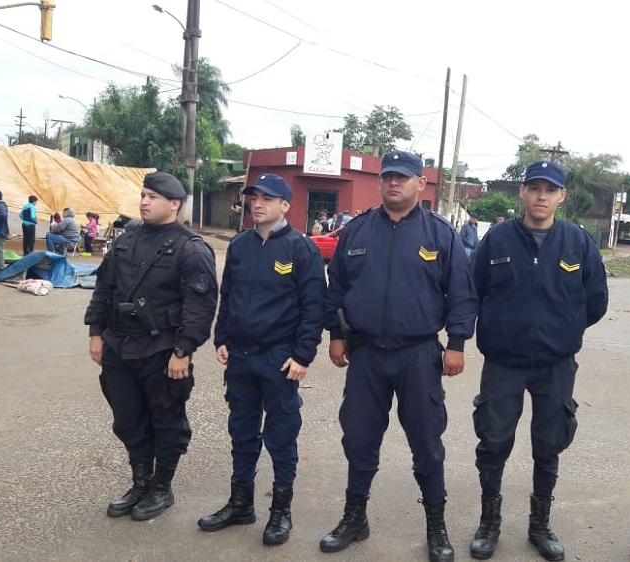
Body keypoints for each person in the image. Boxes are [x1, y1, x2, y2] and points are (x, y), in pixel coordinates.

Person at [320, 150, 477, 562]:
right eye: (388, 176)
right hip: (366, 355)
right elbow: (335, 289)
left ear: (419, 184)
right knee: (358, 440)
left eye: (402, 178)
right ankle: (355, 518)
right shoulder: (356, 233)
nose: (394, 183)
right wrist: (336, 335)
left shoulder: (439, 234)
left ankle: (436, 527)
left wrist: (457, 343)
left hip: (419, 355)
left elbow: (461, 293)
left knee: (427, 444)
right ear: (380, 182)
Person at [468, 160, 608, 561]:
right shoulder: (496, 240)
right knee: (493, 442)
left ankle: (539, 523)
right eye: (534, 188)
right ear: (523, 193)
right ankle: (489, 521)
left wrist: (563, 329)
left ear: (561, 196)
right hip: (503, 362)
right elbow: (472, 291)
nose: (541, 196)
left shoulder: (578, 243)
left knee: (549, 444)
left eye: (550, 189)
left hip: (555, 363)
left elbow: (595, 301)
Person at [197, 173, 327, 545]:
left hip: (280, 359)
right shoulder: (239, 246)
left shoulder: (302, 249)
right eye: (253, 197)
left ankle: (280, 512)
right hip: (240, 357)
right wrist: (221, 337)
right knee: (242, 432)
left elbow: (313, 309)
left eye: (267, 198)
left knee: (282, 436)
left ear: (285, 205)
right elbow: (230, 297)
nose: (257, 204)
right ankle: (240, 504)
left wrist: (303, 355)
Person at [84, 171, 218, 521]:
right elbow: (104, 289)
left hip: (162, 351)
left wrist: (183, 351)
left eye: (153, 197)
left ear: (174, 204)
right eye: (143, 195)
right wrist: (96, 331)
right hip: (119, 347)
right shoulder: (126, 239)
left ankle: (162, 487)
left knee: (167, 420)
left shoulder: (191, 248)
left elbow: (200, 306)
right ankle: (140, 481)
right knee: (128, 419)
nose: (144, 202)